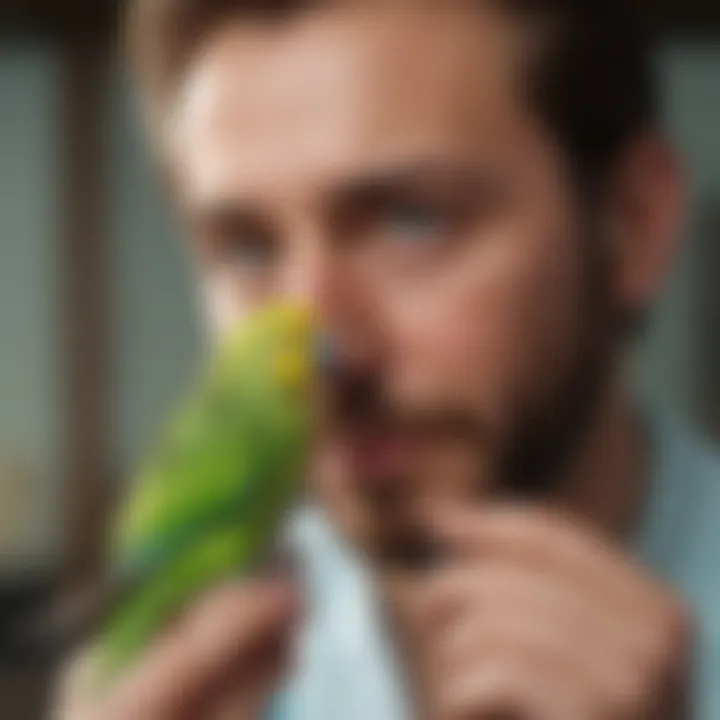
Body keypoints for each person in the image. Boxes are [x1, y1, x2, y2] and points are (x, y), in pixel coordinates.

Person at [58, 1, 720, 718]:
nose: (331, 353)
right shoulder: (190, 665)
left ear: (632, 224)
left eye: (413, 221)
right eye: (248, 248)